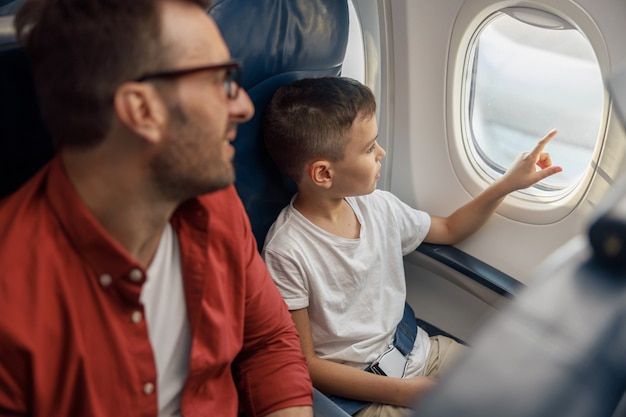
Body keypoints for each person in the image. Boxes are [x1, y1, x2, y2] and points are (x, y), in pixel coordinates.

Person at [0, 1, 313, 416]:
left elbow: (268, 342)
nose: (244, 106)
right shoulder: (12, 297)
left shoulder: (215, 205)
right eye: (222, 81)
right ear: (142, 110)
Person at [261, 76, 562, 417]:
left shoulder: (378, 207)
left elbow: (449, 228)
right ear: (323, 174)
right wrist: (405, 393)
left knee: (522, 389)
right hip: (367, 395)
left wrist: (508, 183)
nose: (381, 152)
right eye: (368, 147)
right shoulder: (287, 251)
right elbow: (307, 364)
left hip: (422, 353)